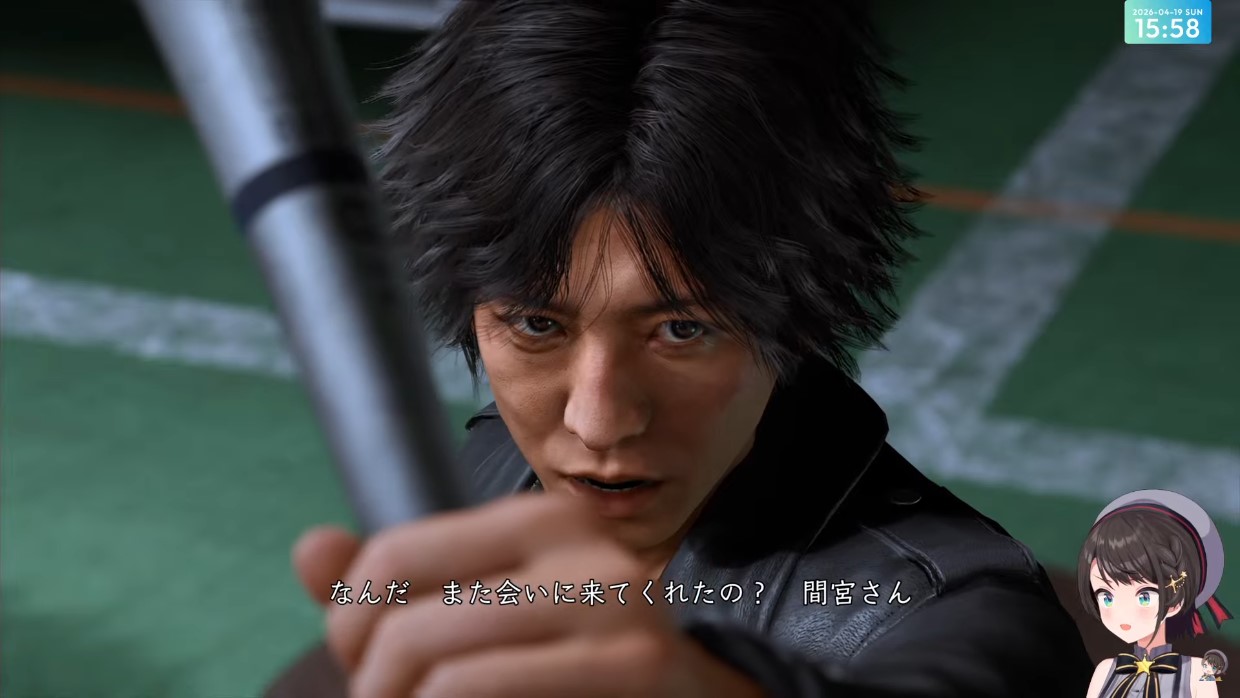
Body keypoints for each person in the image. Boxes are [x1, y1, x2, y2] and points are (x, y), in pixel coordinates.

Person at [291, 1, 1093, 695]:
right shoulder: (483, 474)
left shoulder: (950, 602)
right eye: (537, 325)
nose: (599, 422)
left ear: (796, 313)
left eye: (681, 329)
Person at [1079, 490, 1233, 698]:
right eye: (1107, 597)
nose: (1122, 613)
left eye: (1144, 597)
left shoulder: (1198, 672)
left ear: (1175, 601)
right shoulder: (1105, 670)